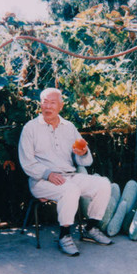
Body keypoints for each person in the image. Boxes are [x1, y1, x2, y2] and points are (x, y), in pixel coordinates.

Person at [18, 88, 113, 256]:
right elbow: (27, 162)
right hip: (40, 180)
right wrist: (47, 174)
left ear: (60, 106)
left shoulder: (69, 127)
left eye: (52, 103)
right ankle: (64, 235)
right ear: (40, 104)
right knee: (71, 189)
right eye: (44, 102)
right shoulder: (30, 128)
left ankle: (91, 227)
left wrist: (83, 153)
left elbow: (84, 160)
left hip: (69, 175)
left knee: (103, 184)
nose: (47, 106)